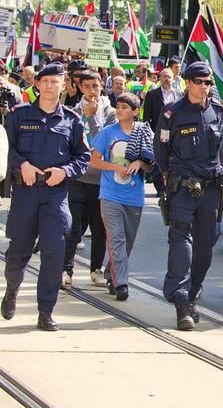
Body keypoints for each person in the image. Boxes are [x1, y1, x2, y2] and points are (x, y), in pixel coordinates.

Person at [2, 62, 91, 331]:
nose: (51, 86)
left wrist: (65, 171)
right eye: (46, 82)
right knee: (18, 253)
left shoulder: (72, 121)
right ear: (37, 85)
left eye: (56, 82)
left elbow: (83, 157)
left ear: (64, 85)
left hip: (55, 195)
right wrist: (22, 165)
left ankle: (45, 310)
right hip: (26, 193)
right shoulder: (18, 116)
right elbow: (6, 148)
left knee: (54, 252)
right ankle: (12, 290)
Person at [154, 61, 223, 331]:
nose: (204, 87)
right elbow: (161, 153)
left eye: (208, 82)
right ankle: (181, 300)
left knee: (205, 247)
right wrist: (166, 184)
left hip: (209, 188)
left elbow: (220, 149)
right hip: (182, 187)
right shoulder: (171, 114)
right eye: (199, 82)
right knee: (181, 241)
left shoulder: (216, 110)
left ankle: (193, 291)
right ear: (187, 82)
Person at [90, 92, 151, 301]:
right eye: (118, 106)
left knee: (127, 242)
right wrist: (115, 166)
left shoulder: (143, 133)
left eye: (124, 107)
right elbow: (95, 160)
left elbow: (152, 164)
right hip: (110, 195)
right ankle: (121, 284)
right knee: (116, 239)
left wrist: (140, 163)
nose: (119, 110)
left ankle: (111, 274)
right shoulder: (107, 133)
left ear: (135, 112)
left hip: (134, 196)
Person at [63, 69, 115, 288]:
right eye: (87, 86)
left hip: (101, 180)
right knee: (73, 226)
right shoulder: (73, 112)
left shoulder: (110, 112)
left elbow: (103, 144)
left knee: (99, 227)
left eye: (96, 85)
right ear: (80, 87)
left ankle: (96, 270)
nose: (92, 90)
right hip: (77, 178)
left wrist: (93, 118)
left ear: (101, 84)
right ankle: (66, 269)